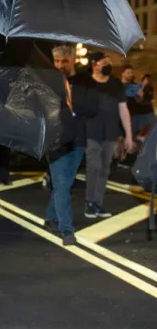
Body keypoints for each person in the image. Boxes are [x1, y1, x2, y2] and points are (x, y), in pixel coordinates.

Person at [44, 44, 98, 245]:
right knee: (62, 184)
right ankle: (67, 230)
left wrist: (70, 100)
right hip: (55, 141)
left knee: (63, 184)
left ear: (73, 60)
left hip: (78, 140)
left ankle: (50, 217)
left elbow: (93, 108)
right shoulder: (49, 81)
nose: (59, 65)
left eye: (64, 61)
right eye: (56, 61)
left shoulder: (85, 81)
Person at [85, 52, 133, 218]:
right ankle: (90, 202)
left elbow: (123, 110)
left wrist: (129, 135)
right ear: (94, 64)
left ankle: (98, 204)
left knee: (105, 169)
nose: (107, 65)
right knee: (94, 167)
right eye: (104, 62)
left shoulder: (116, 85)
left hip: (110, 134)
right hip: (91, 132)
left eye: (108, 62)